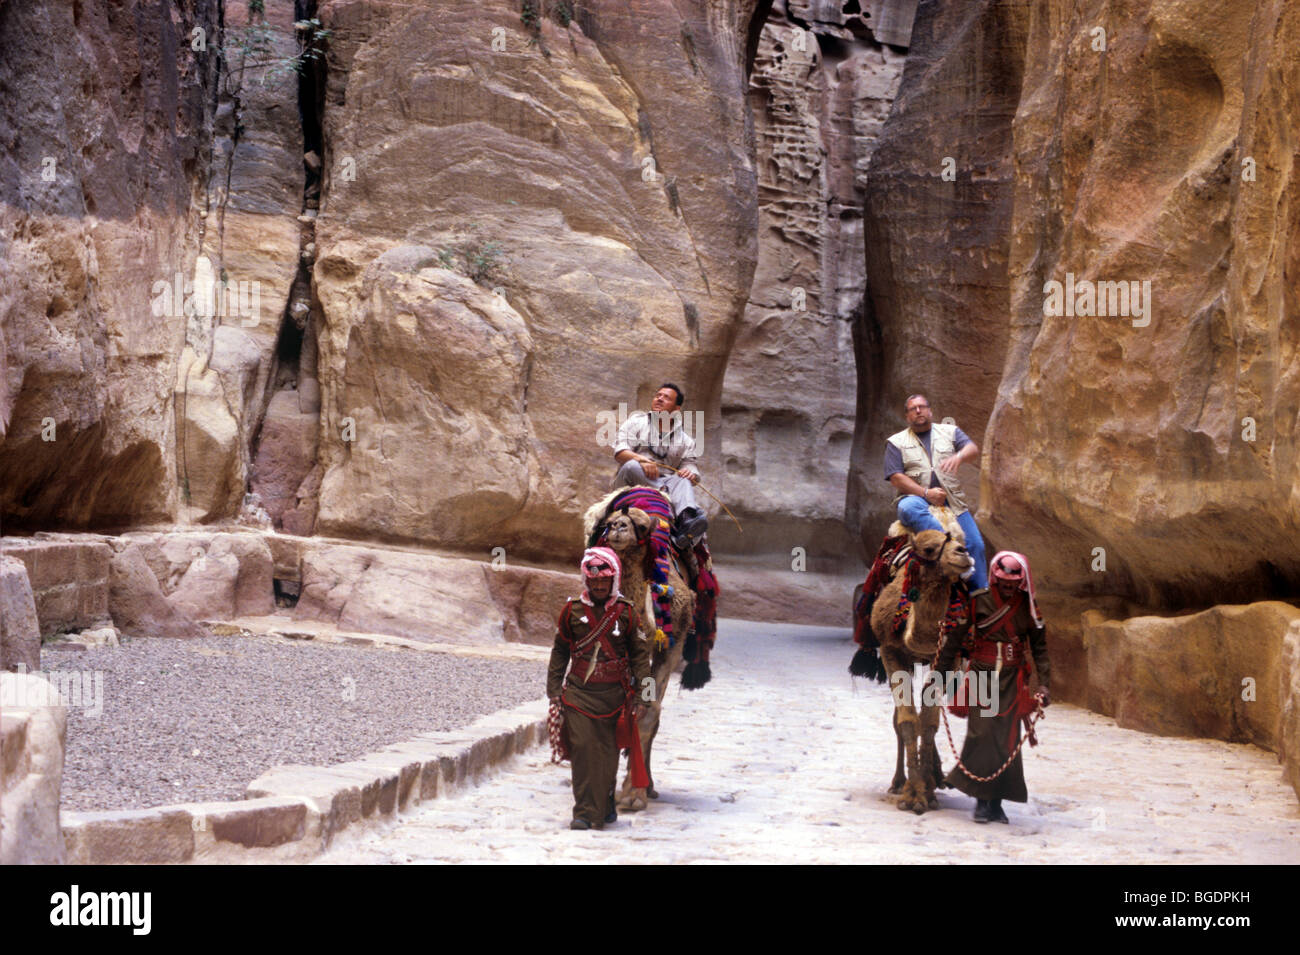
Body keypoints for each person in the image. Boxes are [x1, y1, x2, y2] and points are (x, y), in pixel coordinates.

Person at [935, 551, 1051, 824]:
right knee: (982, 734)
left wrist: (1044, 684)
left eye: (1013, 583)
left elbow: (1040, 648)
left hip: (1013, 680)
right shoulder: (978, 601)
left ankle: (996, 803)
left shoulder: (1028, 606)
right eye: (1003, 582)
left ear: (1021, 581)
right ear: (995, 579)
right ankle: (982, 801)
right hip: (981, 675)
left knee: (1007, 741)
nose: (1008, 588)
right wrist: (939, 676)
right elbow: (954, 640)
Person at [547, 547, 651, 830]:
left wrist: (646, 696)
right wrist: (554, 689)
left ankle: (605, 802)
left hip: (615, 698)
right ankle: (583, 813)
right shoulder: (571, 611)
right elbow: (560, 652)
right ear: (587, 580)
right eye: (593, 581)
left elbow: (642, 658)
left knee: (606, 755)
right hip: (579, 695)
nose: (599, 585)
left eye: (604, 580)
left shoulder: (628, 614)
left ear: (613, 580)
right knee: (582, 750)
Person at [883, 394, 988, 589]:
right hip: (917, 499)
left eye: (922, 407)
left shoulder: (950, 431)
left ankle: (980, 598)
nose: (918, 411)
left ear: (930, 411)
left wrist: (959, 457)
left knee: (977, 545)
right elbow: (895, 477)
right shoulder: (896, 442)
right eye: (913, 409)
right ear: (907, 416)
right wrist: (925, 493)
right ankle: (949, 546)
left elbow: (972, 449)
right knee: (907, 508)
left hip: (952, 501)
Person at [613, 383, 708, 548]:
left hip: (665, 481)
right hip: (633, 480)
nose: (659, 399)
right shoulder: (636, 423)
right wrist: (641, 460)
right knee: (631, 466)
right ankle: (668, 501)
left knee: (683, 480)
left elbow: (690, 465)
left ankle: (686, 523)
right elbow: (620, 452)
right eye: (658, 395)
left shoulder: (686, 440)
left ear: (677, 408)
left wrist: (689, 473)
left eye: (666, 397)